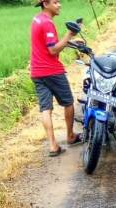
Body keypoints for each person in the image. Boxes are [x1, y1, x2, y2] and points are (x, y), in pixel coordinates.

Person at [31, 0, 81, 156]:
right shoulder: (47, 23)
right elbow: (52, 50)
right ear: (46, 4)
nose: (59, 5)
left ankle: (53, 146)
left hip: (37, 71)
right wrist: (69, 35)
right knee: (68, 102)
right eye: (55, 2)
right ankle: (70, 136)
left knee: (45, 108)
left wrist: (69, 42)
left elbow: (45, 45)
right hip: (51, 71)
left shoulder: (36, 19)